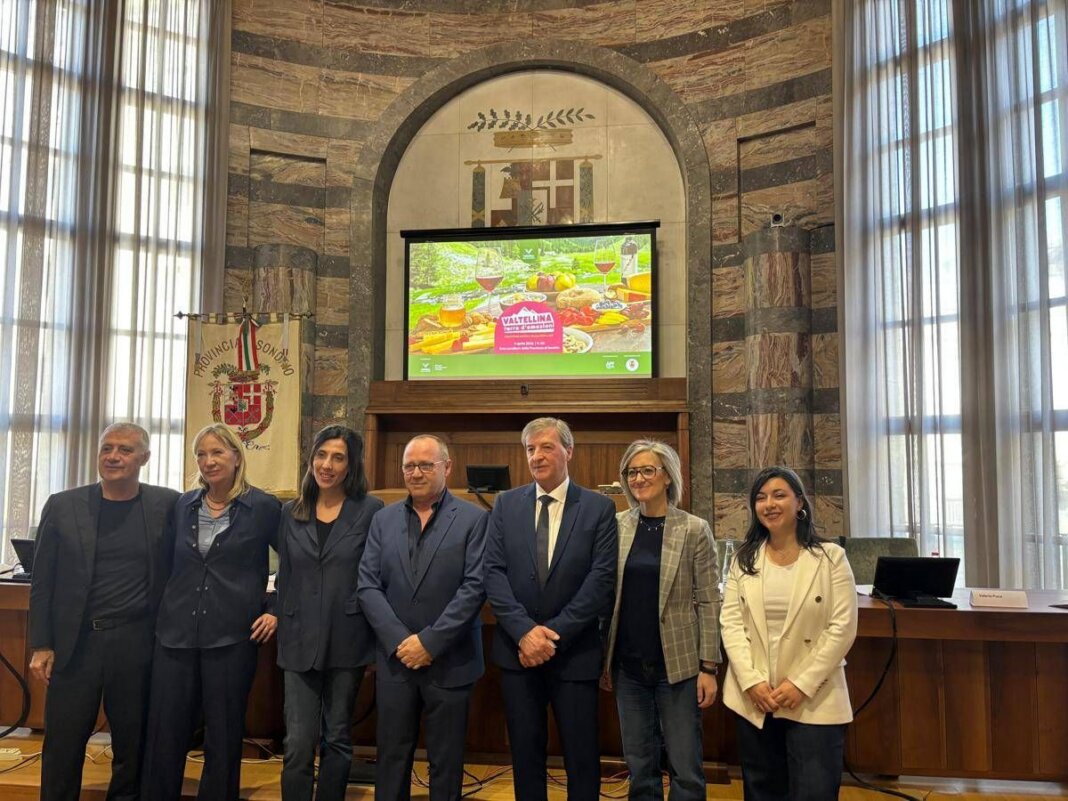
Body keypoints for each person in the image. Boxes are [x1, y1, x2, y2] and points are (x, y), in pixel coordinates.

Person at [28, 423, 179, 801]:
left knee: (133, 744)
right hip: (76, 643)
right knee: (63, 744)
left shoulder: (167, 504)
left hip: (136, 642)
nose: (113, 456)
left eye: (125, 450)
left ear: (145, 458)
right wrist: (42, 644)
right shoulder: (63, 505)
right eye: (106, 448)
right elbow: (43, 582)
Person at [142, 423, 281, 801]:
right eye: (201, 454)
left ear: (236, 456)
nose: (209, 461)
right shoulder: (182, 505)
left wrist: (275, 608)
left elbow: (297, 561)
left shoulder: (263, 507)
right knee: (165, 731)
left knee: (223, 732)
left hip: (231, 636)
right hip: (175, 633)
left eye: (217, 452)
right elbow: (165, 564)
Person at [484, 417, 617, 801]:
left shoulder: (598, 508)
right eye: (530, 449)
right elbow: (492, 573)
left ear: (568, 451)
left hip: (574, 653)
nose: (537, 456)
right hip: (518, 652)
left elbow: (600, 580)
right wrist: (525, 633)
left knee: (581, 755)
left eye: (546, 447)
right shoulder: (506, 504)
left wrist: (551, 636)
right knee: (525, 752)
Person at [357, 434, 487, 801]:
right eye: (409, 466)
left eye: (426, 465)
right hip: (396, 661)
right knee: (391, 757)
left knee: (446, 761)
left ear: (447, 467)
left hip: (451, 659)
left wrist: (429, 642)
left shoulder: (475, 519)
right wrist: (401, 641)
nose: (416, 473)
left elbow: (475, 587)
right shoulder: (382, 520)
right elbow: (367, 585)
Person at [719, 466, 858, 801]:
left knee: (814, 791)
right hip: (756, 697)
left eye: (779, 495)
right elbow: (731, 623)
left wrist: (801, 684)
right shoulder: (743, 558)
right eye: (761, 497)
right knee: (762, 790)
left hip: (814, 697)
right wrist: (751, 682)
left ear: (800, 503)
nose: (769, 504)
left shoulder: (831, 558)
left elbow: (842, 626)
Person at [602, 440, 721, 801]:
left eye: (647, 470)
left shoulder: (693, 529)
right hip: (628, 667)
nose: (638, 478)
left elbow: (709, 599)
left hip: (678, 667)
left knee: (686, 767)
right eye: (632, 472)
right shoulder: (617, 525)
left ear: (668, 476)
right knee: (640, 764)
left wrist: (709, 666)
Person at [276, 425, 384, 801]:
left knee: (337, 736)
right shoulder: (291, 511)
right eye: (321, 455)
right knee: (298, 740)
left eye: (338, 457)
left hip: (348, 636)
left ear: (351, 465)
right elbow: (285, 575)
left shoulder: (370, 510)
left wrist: (375, 641)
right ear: (311, 460)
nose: (327, 465)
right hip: (298, 637)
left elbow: (375, 576)